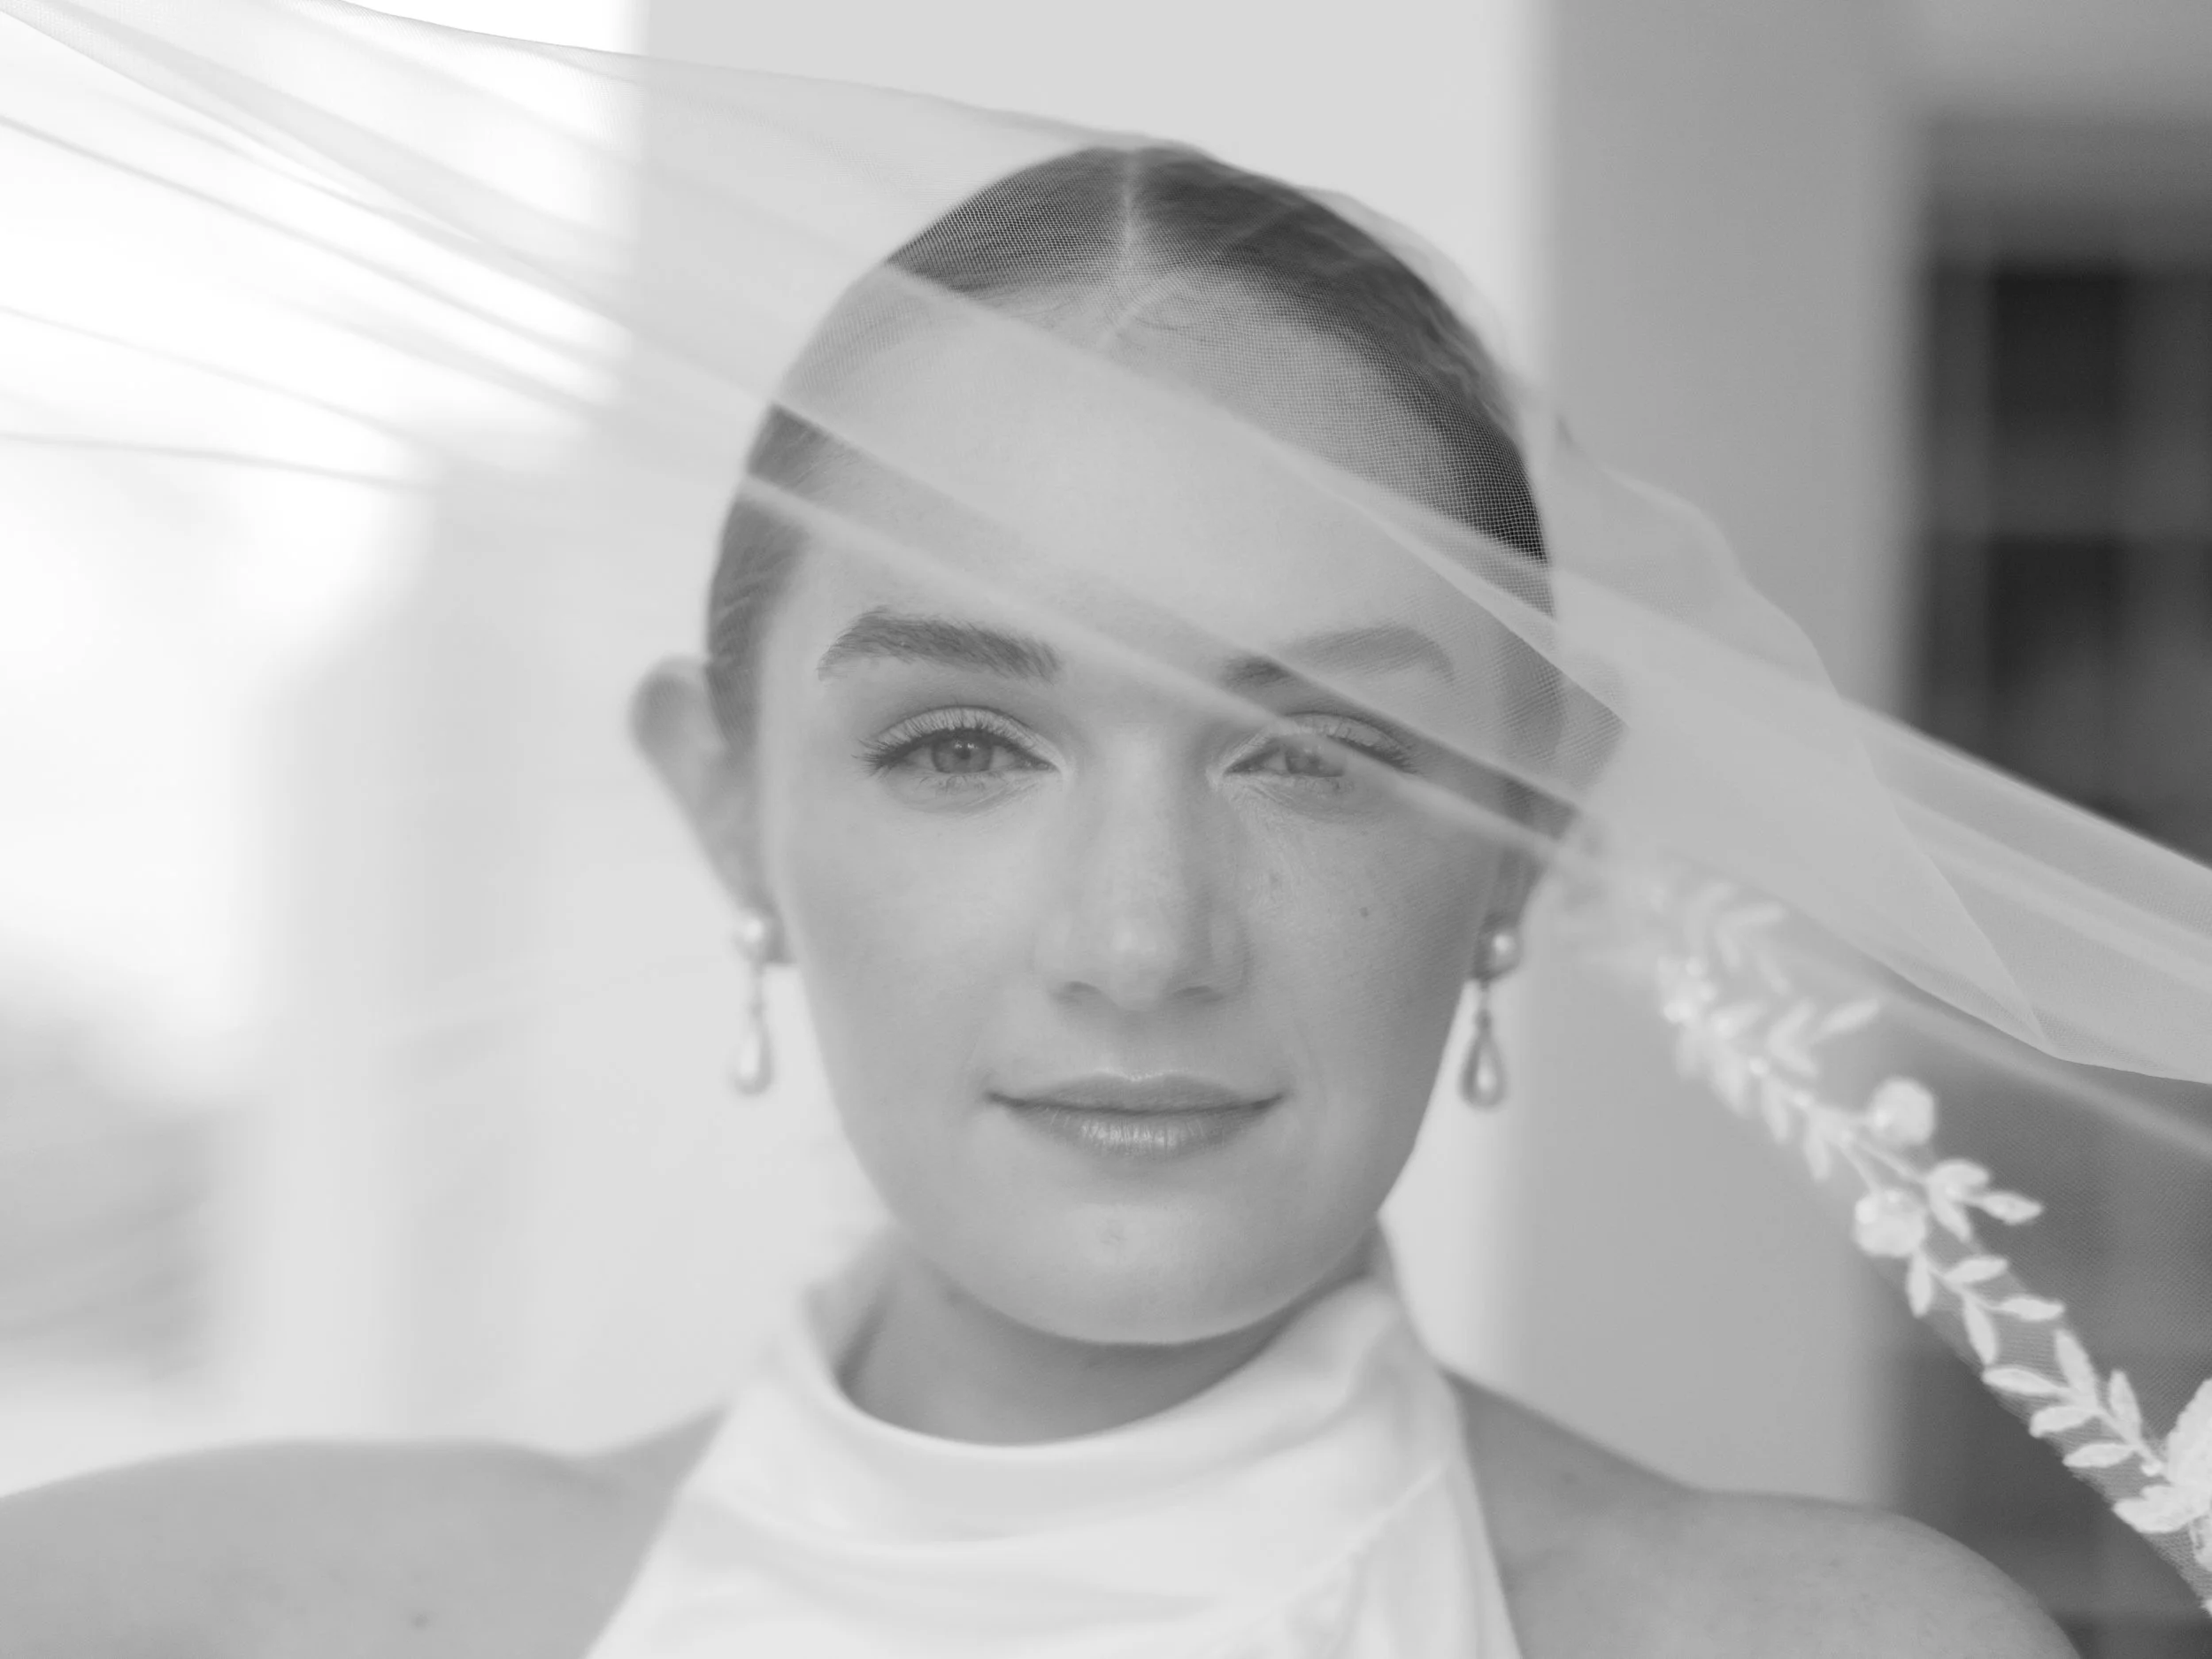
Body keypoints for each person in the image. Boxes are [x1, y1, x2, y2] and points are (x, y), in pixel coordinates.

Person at [0, 140, 2074, 1657]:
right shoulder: (161, 1612)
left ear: (1525, 832)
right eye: (961, 748)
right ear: (725, 807)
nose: (1141, 940)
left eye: (1317, 755)